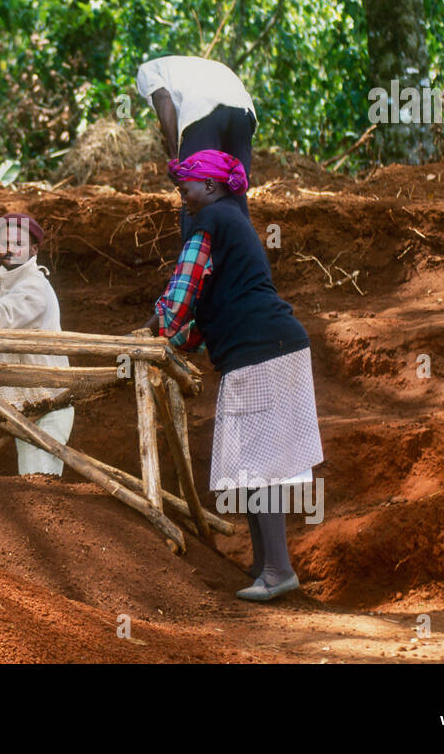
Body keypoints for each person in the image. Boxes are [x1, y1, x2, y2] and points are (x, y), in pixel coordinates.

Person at [142, 151, 322, 602]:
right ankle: (265, 567)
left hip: (260, 351)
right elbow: (207, 313)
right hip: (273, 345)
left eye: (188, 182)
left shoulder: (211, 222)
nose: (181, 190)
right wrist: (175, 337)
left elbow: (179, 301)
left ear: (213, 186)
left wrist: (154, 328)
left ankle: (278, 570)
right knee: (257, 464)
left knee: (260, 465)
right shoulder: (229, 222)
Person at [0, 213, 73, 476]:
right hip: (28, 403)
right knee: (33, 478)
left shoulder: (34, 286)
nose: (9, 248)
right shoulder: (0, 288)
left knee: (40, 480)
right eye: (4, 242)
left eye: (18, 243)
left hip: (48, 402)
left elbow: (3, 316)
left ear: (33, 250)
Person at [136, 54, 257, 237]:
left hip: (203, 108)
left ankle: (195, 263)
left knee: (195, 194)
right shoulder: (197, 67)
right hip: (243, 110)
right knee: (235, 192)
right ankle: (240, 259)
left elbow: (161, 97)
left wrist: (175, 155)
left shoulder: (146, 70)